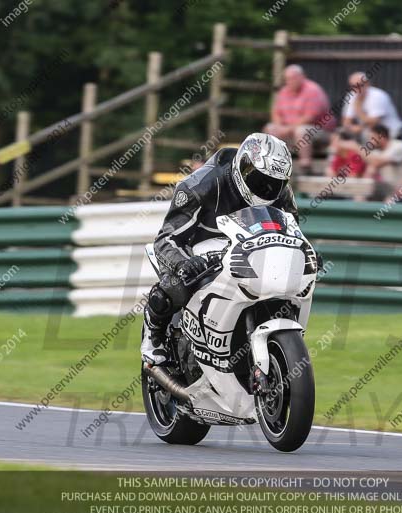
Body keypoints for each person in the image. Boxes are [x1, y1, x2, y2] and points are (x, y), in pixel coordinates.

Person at [141, 133, 299, 365]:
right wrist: (184, 263)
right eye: (258, 179)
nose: (267, 188)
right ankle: (153, 334)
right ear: (243, 167)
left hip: (250, 248)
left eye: (274, 183)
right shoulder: (199, 185)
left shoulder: (280, 192)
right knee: (179, 281)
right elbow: (166, 238)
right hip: (198, 247)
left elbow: (292, 230)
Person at [265, 65, 334, 175]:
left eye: (292, 78)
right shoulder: (284, 91)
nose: (289, 81)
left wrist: (288, 129)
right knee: (271, 128)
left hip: (319, 132)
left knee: (302, 131)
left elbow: (310, 117)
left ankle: (305, 166)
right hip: (291, 131)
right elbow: (276, 113)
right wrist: (279, 126)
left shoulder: (313, 90)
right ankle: (274, 165)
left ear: (302, 77)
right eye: (287, 79)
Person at [341, 71, 402, 139]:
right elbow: (346, 120)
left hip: (389, 132)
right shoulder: (351, 95)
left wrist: (358, 109)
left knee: (368, 135)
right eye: (354, 86)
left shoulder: (378, 96)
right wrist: (351, 128)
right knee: (340, 133)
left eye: (360, 85)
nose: (357, 89)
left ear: (368, 84)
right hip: (366, 131)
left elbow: (374, 123)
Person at [360, 124, 402, 201]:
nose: (370, 142)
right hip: (385, 187)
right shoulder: (376, 152)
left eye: (372, 138)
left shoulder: (400, 146)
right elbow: (370, 171)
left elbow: (377, 162)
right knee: (361, 194)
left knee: (389, 200)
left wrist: (356, 148)